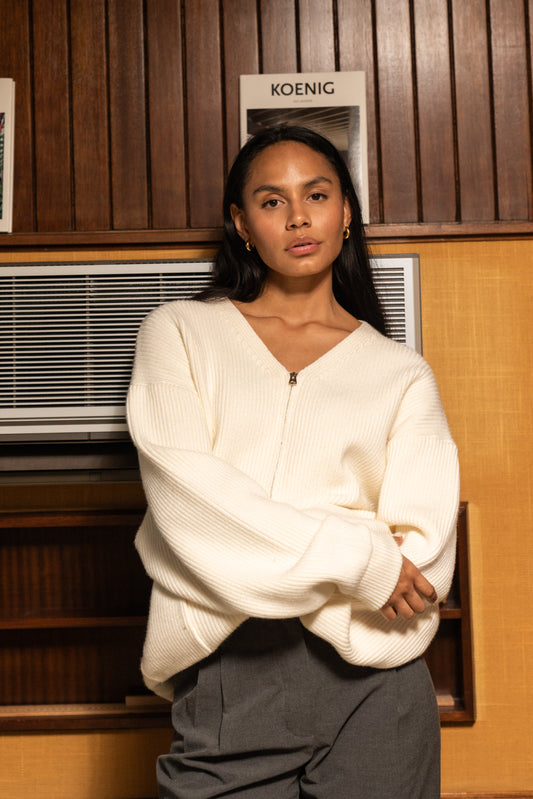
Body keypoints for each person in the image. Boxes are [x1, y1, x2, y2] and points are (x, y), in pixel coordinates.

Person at [127, 125, 460, 799]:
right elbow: (191, 502)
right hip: (231, 670)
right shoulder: (179, 333)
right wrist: (361, 556)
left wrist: (271, 546)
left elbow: (422, 559)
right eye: (272, 200)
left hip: (376, 682)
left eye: (317, 194)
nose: (298, 217)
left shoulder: (400, 373)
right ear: (241, 223)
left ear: (346, 212)